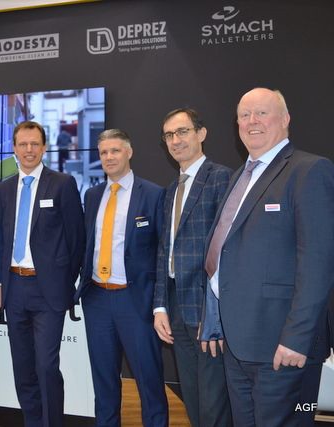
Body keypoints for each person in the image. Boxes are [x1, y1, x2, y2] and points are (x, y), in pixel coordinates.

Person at [201, 87, 334, 426]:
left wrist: (296, 339)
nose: (252, 121)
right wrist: (215, 320)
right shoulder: (239, 176)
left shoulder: (309, 170)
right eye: (244, 115)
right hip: (238, 345)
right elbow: (224, 252)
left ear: (285, 119)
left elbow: (318, 263)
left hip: (282, 348)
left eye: (262, 113)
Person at [0, 120, 85, 427]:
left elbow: (77, 239)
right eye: (23, 144)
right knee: (23, 370)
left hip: (48, 292)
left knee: (46, 366)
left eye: (35, 144)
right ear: (14, 148)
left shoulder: (62, 184)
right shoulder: (4, 189)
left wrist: (64, 281)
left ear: (44, 148)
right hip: (14, 288)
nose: (29, 150)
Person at [75, 129, 168, 426]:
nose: (109, 157)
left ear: (129, 152)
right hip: (97, 299)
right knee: (103, 383)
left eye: (115, 151)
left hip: (135, 301)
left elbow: (163, 251)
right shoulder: (92, 196)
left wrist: (159, 303)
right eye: (103, 152)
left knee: (149, 382)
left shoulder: (153, 194)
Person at [152, 108, 232, 427]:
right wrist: (160, 306)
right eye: (169, 135)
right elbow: (165, 250)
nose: (175, 140)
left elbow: (226, 250)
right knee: (194, 403)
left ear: (201, 133)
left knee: (213, 405)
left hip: (207, 310)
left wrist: (214, 314)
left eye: (182, 131)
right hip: (176, 309)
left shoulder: (220, 178)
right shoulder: (172, 189)